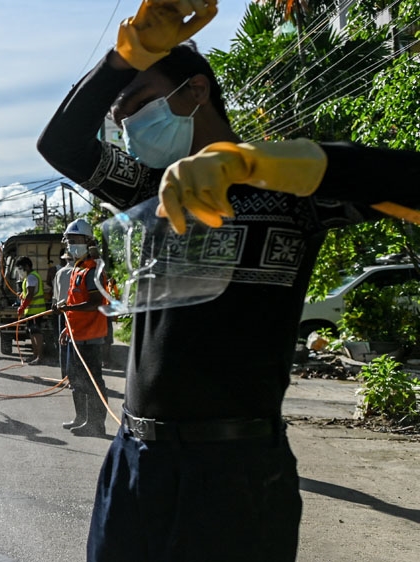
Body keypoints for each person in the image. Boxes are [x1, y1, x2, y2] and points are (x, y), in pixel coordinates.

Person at [37, 1, 420, 560]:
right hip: (135, 457)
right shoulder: (150, 191)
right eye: (123, 123)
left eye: (140, 106)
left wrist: (255, 163)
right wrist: (124, 60)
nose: (130, 129)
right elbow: (61, 146)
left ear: (194, 93)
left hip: (236, 468)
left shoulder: (293, 192)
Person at [55, 219, 109, 437]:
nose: (71, 245)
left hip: (91, 337)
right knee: (77, 380)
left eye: (75, 240)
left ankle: (96, 424)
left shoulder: (92, 271)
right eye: (69, 241)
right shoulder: (78, 269)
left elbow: (95, 303)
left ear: (88, 242)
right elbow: (75, 306)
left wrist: (66, 306)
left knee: (92, 381)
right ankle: (81, 418)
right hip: (76, 335)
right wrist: (67, 329)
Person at [14, 256, 47, 364]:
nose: (20, 271)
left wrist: (22, 307)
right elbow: (28, 293)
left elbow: (30, 294)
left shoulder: (31, 277)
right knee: (32, 333)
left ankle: (39, 357)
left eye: (21, 268)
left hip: (35, 311)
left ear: (27, 267)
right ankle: (35, 355)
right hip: (32, 311)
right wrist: (22, 294)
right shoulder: (29, 277)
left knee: (37, 334)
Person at [52, 251, 75, 382]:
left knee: (63, 343)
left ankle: (65, 374)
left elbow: (55, 297)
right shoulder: (80, 272)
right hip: (77, 311)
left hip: (62, 311)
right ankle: (74, 375)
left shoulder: (59, 273)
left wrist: (54, 307)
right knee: (76, 344)